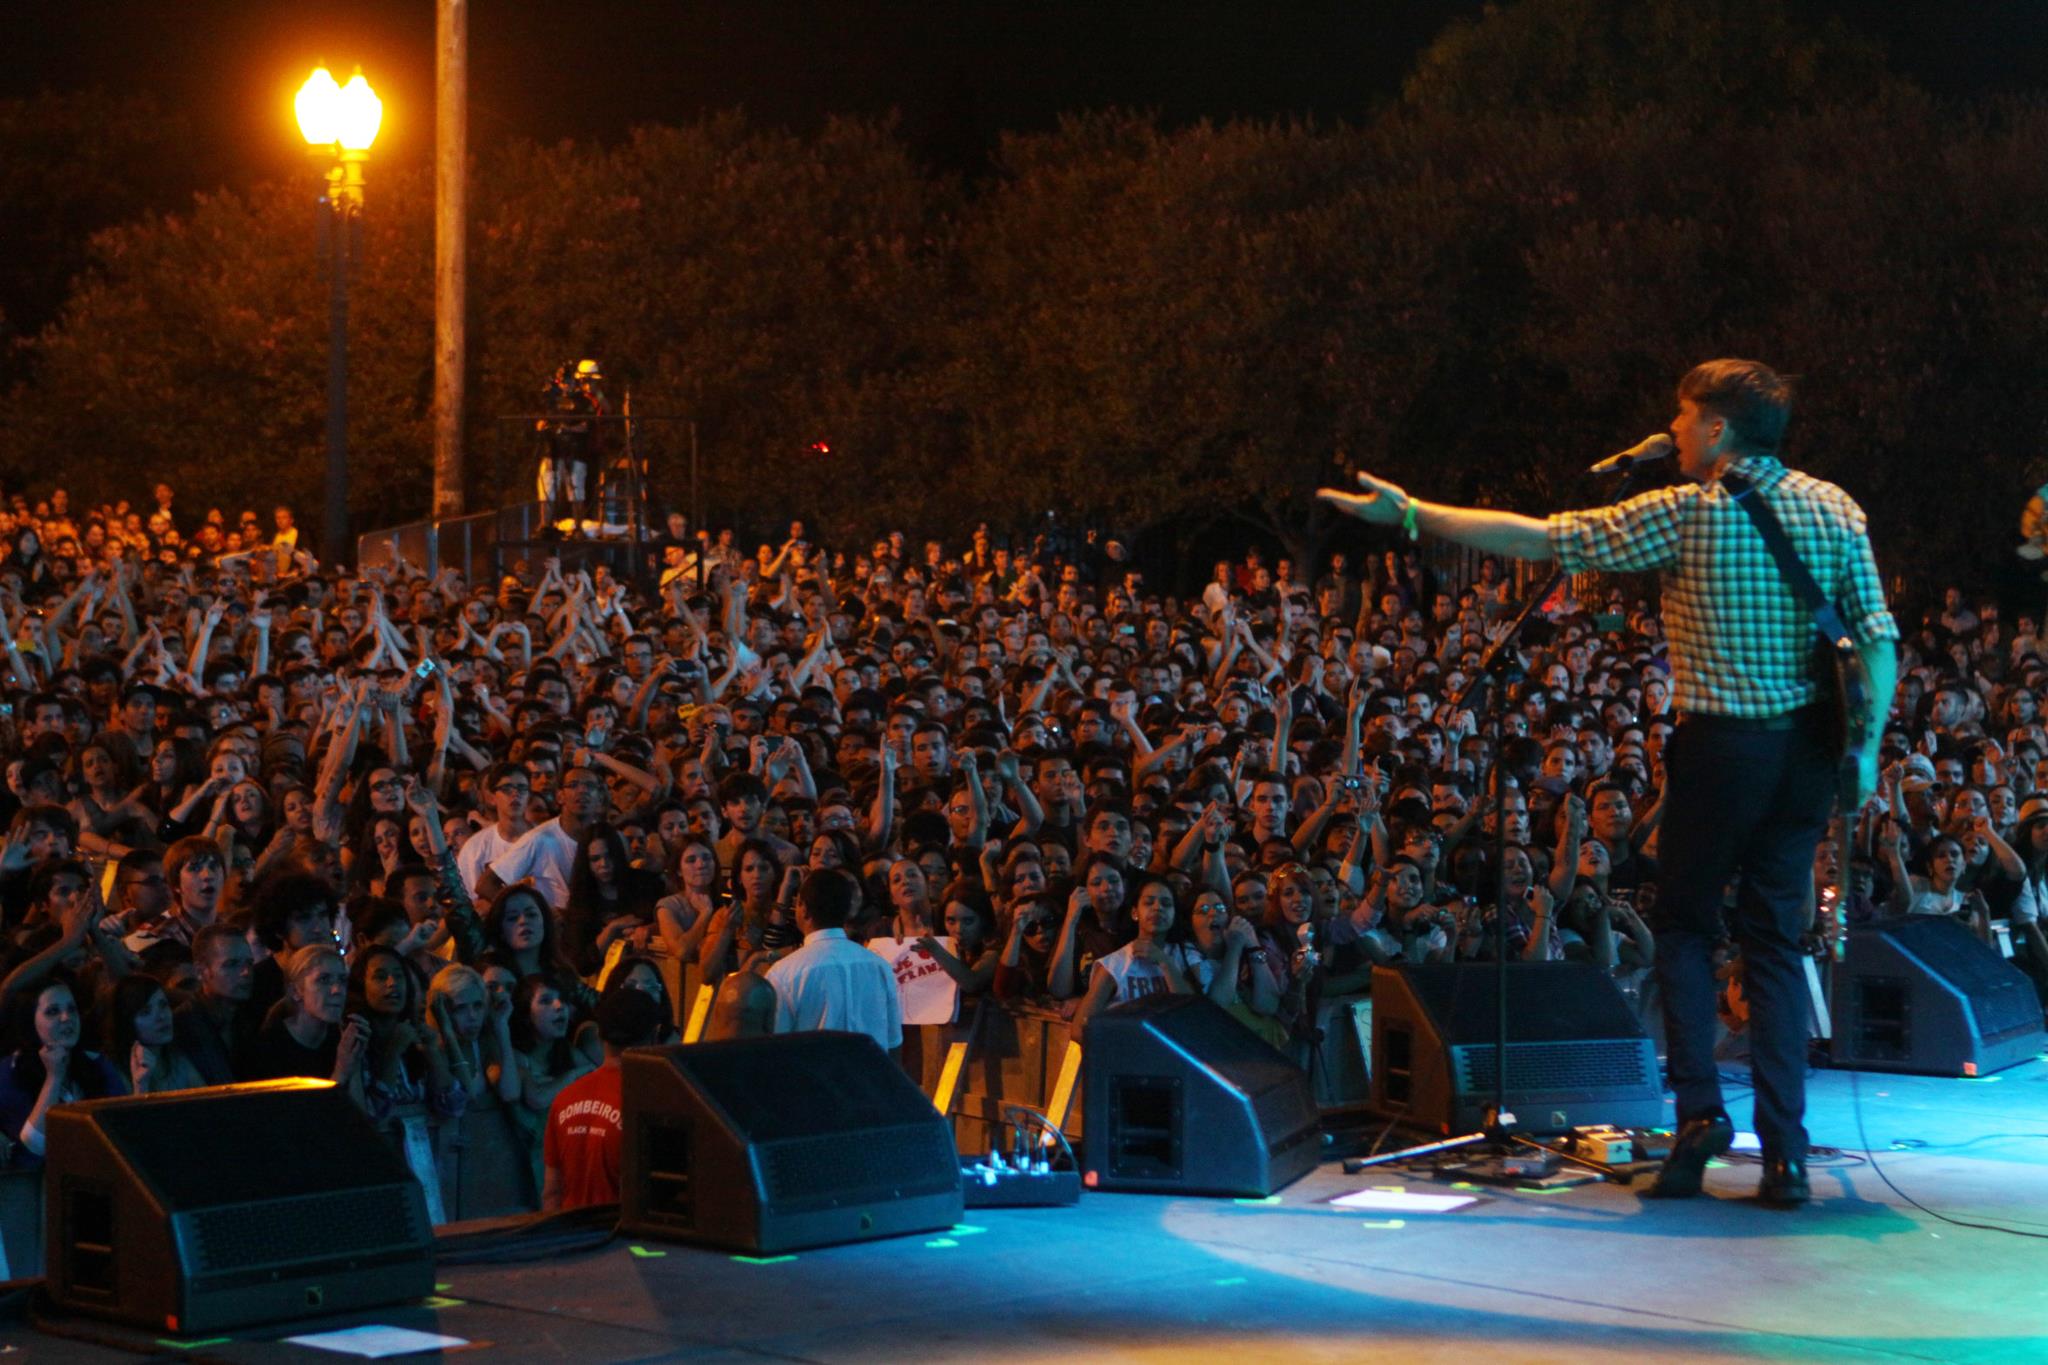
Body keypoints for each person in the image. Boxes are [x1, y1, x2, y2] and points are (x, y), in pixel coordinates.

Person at [1319, 358, 1899, 1206]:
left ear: (1718, 429)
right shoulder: (1836, 507)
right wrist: (1868, 749)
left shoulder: (1687, 514)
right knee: (1774, 939)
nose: (1673, 428)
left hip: (1722, 746)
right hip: (1808, 750)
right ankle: (1785, 1152)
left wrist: (1411, 512)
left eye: (1683, 414)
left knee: (1688, 929)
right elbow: (1876, 638)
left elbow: (1539, 536)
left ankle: (1699, 1116)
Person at [541, 981, 662, 1211]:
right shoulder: (650, 1103)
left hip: (570, 1234)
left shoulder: (564, 1099)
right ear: (654, 1035)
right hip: (621, 1240)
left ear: (599, 1034)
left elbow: (551, 1192)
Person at [763, 869, 901, 1054]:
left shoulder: (784, 973)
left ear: (802, 908)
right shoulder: (879, 966)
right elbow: (893, 1044)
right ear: (847, 909)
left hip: (814, 1081)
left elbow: (775, 1047)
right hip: (870, 1080)